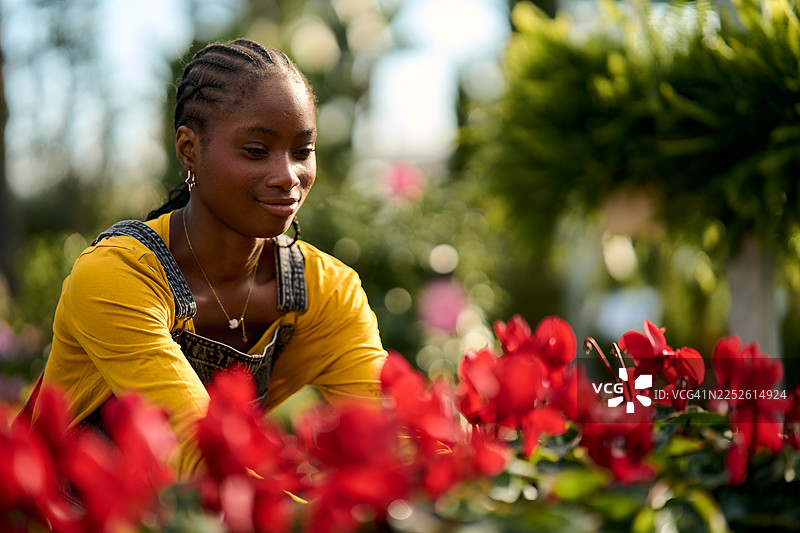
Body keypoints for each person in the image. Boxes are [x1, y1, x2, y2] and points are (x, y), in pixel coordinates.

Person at [24, 39, 387, 479]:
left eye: (302, 151)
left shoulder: (325, 291)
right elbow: (196, 455)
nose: (288, 177)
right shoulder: (118, 275)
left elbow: (392, 431)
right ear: (188, 149)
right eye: (256, 150)